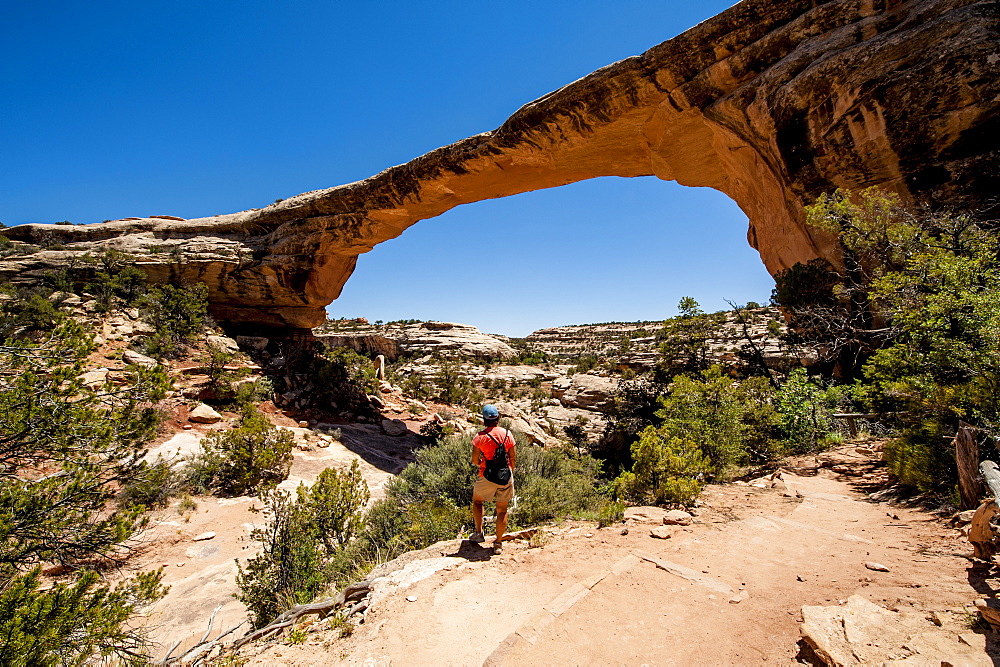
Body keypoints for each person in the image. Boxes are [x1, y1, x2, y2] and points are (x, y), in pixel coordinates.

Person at [470, 404, 516, 552]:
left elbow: (475, 460)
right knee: (502, 510)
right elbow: (513, 457)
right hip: (505, 476)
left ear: (484, 420)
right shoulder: (508, 434)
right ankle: (498, 543)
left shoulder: (480, 437)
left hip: (486, 475)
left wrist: (483, 463)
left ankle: (478, 533)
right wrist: (509, 471)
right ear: (498, 418)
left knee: (477, 501)